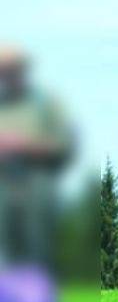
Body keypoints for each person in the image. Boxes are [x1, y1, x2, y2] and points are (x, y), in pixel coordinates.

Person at [0, 44, 72, 267]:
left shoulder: (45, 103)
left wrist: (22, 145)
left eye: (12, 69)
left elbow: (63, 145)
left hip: (37, 184)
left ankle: (36, 297)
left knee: (37, 251)